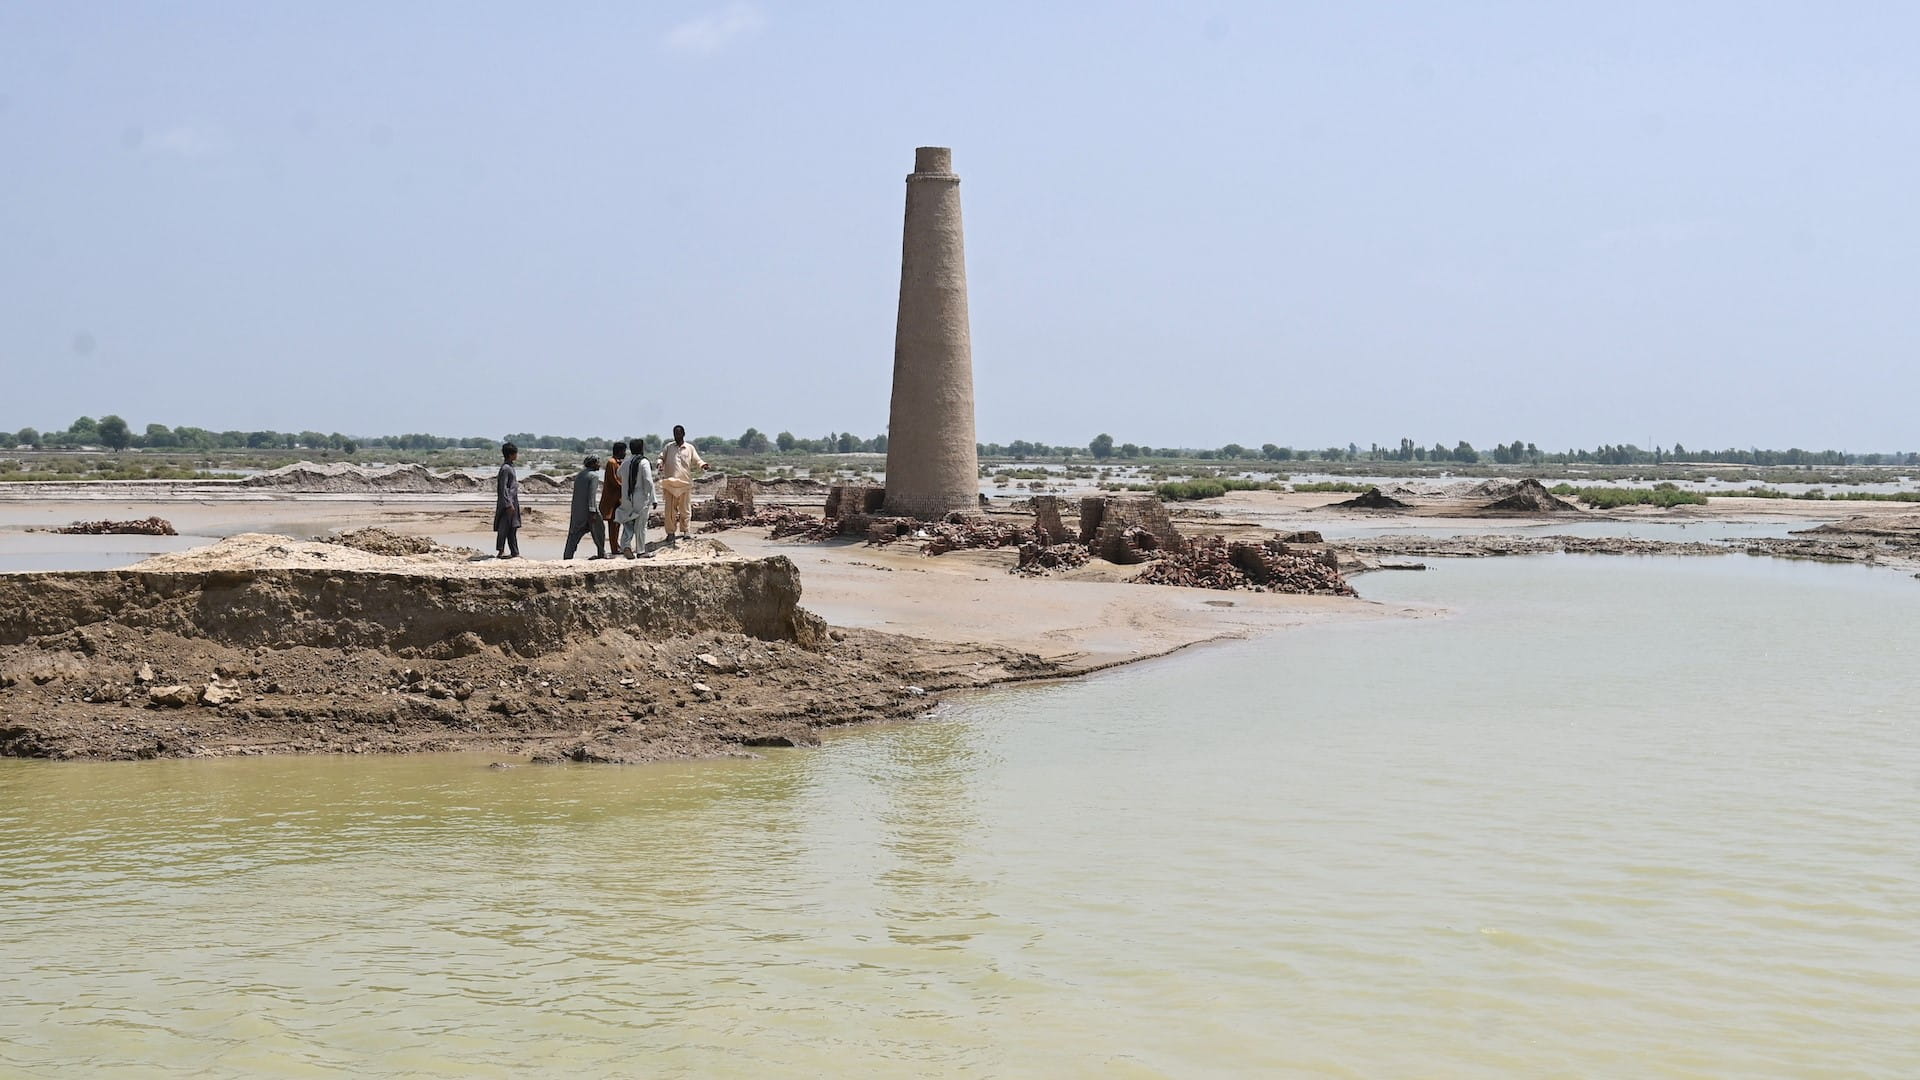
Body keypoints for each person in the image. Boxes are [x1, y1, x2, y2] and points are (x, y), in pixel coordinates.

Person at [658, 424, 709, 543]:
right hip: (671, 483)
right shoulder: (669, 447)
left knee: (685, 508)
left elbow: (697, 460)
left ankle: (686, 531)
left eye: (679, 433)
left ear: (683, 434)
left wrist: (703, 465)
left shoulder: (689, 448)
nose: (677, 435)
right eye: (675, 433)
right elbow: (661, 458)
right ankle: (670, 533)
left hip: (685, 483)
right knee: (670, 510)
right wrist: (660, 463)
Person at [615, 436, 656, 557]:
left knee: (628, 522)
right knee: (641, 525)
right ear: (642, 448)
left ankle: (626, 546)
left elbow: (618, 474)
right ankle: (640, 551)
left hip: (627, 497)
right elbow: (648, 481)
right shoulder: (644, 462)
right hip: (641, 497)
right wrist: (651, 497)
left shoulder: (626, 462)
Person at [564, 455, 608, 560]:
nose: (599, 464)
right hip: (589, 510)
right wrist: (592, 511)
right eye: (597, 462)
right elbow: (591, 495)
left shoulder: (580, 474)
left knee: (574, 535)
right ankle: (601, 553)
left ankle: (567, 556)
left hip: (577, 510)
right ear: (592, 464)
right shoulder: (593, 476)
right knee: (599, 530)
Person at [493, 442, 521, 559]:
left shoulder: (510, 467)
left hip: (513, 501)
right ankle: (500, 551)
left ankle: (515, 552)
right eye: (515, 453)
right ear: (510, 454)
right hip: (507, 503)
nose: (517, 455)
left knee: (513, 527)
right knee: (504, 527)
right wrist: (508, 504)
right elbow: (503, 487)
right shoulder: (505, 469)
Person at [600, 441, 626, 555]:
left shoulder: (618, 463)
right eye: (624, 451)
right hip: (611, 499)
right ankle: (614, 548)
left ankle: (616, 546)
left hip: (618, 499)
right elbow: (614, 480)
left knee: (617, 523)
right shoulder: (612, 463)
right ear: (619, 451)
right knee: (613, 524)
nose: (625, 454)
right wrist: (626, 486)